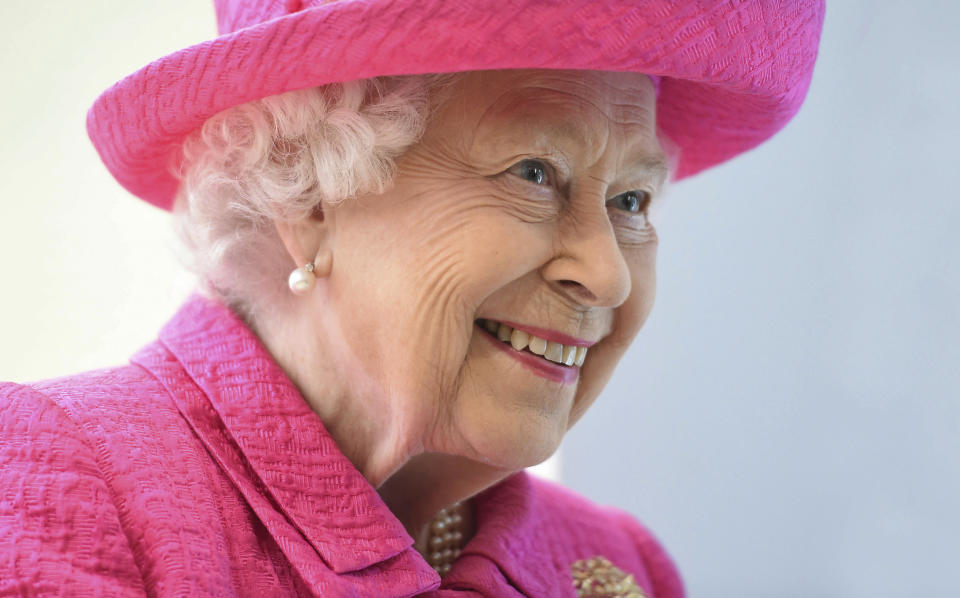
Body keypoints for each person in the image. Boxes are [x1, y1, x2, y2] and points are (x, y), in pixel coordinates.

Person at [0, 1, 824, 596]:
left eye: (631, 202)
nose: (605, 275)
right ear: (310, 198)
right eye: (534, 173)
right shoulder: (61, 484)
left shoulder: (617, 561)